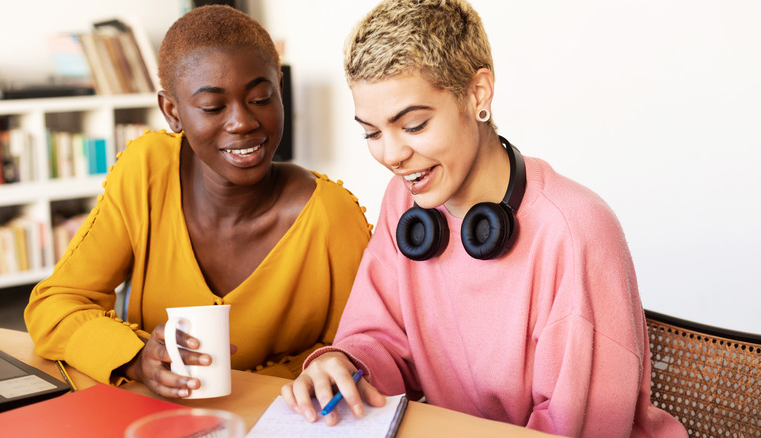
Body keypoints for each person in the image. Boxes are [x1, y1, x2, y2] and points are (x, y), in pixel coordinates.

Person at [281, 1, 687, 436]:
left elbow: (577, 427)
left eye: (414, 125)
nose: (392, 155)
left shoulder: (575, 231)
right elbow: (381, 339)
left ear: (478, 94)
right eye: (372, 132)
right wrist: (344, 364)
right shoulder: (407, 203)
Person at [25, 5, 371, 399]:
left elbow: (360, 350)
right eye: (213, 107)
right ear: (172, 112)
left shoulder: (331, 216)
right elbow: (56, 305)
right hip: (156, 421)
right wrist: (136, 358)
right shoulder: (147, 172)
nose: (242, 122)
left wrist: (277, 381)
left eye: (260, 98)